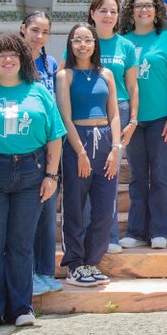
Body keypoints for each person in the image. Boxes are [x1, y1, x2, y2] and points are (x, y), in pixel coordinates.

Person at [0, 33, 64, 330]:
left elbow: (55, 136)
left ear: (22, 59)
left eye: (13, 54)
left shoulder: (38, 92)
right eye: (0, 55)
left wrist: (51, 175)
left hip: (31, 173)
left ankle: (22, 306)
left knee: (21, 244)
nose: (8, 59)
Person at [122, 0, 167, 250]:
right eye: (138, 6)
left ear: (156, 10)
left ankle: (160, 229)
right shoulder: (122, 41)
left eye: (148, 5)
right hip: (133, 121)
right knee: (138, 175)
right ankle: (136, 230)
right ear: (131, 11)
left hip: (160, 117)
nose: (144, 10)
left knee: (160, 174)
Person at [55, 24, 120, 287]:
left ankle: (92, 261)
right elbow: (65, 117)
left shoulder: (106, 73)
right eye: (77, 40)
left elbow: (114, 114)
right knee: (75, 207)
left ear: (95, 43)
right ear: (70, 44)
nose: (83, 45)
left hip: (105, 141)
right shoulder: (65, 75)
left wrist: (116, 149)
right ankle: (74, 264)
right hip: (77, 142)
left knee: (105, 208)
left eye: (87, 40)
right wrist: (80, 152)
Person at [89, 0, 139, 253]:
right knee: (86, 176)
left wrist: (133, 118)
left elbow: (132, 85)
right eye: (103, 11)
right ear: (92, 14)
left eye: (112, 11)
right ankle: (87, 234)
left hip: (117, 111)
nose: (108, 16)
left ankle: (109, 237)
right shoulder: (83, 42)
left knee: (110, 175)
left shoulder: (126, 46)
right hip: (88, 112)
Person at [20, 12, 63, 295]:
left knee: (48, 212)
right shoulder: (10, 60)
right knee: (26, 216)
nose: (39, 37)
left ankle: (45, 271)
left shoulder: (51, 64)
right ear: (23, 29)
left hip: (49, 146)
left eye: (44, 32)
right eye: (34, 30)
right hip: (22, 145)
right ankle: (27, 273)